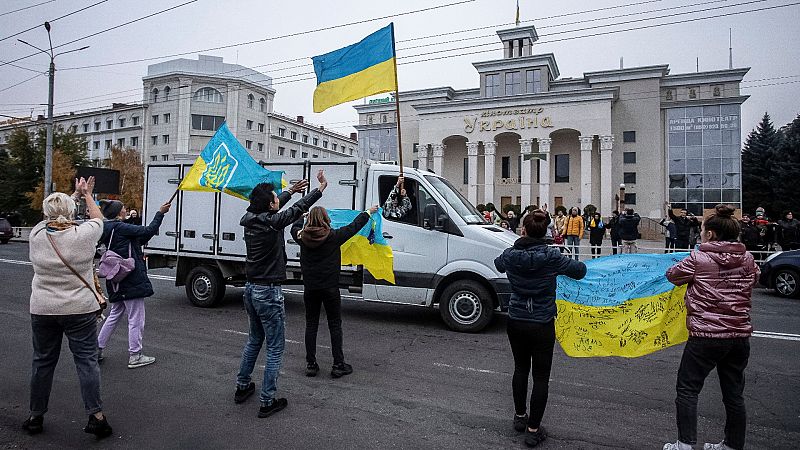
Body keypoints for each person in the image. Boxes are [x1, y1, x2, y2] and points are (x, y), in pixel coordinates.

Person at [663, 205, 760, 450]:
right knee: (734, 394)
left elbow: (672, 275)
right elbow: (756, 278)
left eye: (703, 230)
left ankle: (684, 445)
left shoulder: (698, 258)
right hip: (739, 336)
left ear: (711, 235)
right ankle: (732, 445)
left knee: (687, 389)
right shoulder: (748, 259)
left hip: (706, 336)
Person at [25, 177, 113, 438]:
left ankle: (35, 416)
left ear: (45, 214)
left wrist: (73, 195)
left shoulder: (37, 235)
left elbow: (54, 214)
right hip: (79, 310)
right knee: (86, 363)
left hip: (43, 309)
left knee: (42, 363)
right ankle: (96, 417)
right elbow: (98, 219)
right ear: (72, 213)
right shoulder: (83, 236)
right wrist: (87, 195)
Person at [234, 171, 325, 419]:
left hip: (251, 288)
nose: (277, 199)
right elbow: (294, 212)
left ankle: (242, 387)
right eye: (275, 197)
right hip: (268, 291)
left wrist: (291, 191)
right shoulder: (272, 221)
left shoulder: (252, 218)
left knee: (254, 340)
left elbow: (278, 208)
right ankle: (267, 400)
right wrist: (318, 191)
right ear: (270, 205)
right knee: (275, 347)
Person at [494, 210, 587, 448]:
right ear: (546, 231)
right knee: (541, 377)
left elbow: (498, 264)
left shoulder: (510, 255)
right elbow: (579, 271)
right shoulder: (552, 256)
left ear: (523, 229)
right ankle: (533, 429)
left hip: (516, 319)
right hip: (542, 321)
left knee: (520, 369)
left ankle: (519, 416)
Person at [290, 204, 378, 378]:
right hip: (330, 288)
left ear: (310, 220)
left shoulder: (302, 237)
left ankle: (311, 364)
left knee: (311, 324)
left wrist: (302, 217)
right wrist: (368, 212)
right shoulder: (333, 236)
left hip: (310, 288)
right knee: (335, 325)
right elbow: (354, 227)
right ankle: (338, 364)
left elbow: (294, 228)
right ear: (326, 219)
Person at [96, 197, 172, 369]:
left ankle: (97, 349)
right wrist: (160, 213)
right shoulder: (121, 227)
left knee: (115, 314)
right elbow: (148, 231)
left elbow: (136, 240)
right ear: (118, 212)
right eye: (123, 208)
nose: (125, 209)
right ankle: (135, 355)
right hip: (129, 277)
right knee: (136, 318)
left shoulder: (106, 228)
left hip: (116, 278)